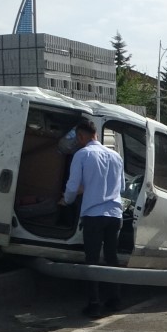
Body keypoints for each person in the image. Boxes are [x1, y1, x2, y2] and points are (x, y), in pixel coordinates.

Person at [59, 119, 125, 318]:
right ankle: (115, 299)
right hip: (115, 214)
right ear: (96, 133)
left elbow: (72, 187)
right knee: (112, 258)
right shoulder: (116, 156)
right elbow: (121, 187)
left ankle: (94, 303)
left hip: (93, 215)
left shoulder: (82, 155)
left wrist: (66, 201)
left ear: (81, 136)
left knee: (93, 260)